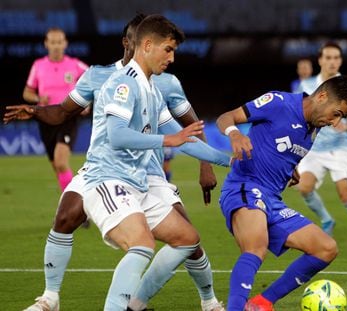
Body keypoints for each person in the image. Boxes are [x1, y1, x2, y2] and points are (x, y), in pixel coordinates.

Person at [6, 14, 226, 311]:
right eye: (168, 49)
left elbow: (186, 133)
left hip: (142, 175)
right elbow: (113, 132)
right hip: (106, 172)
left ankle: (147, 302)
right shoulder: (112, 80)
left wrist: (235, 160)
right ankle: (50, 298)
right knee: (76, 220)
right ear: (137, 43)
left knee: (188, 239)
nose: (172, 57)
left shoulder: (159, 86)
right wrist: (36, 111)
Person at [216, 75, 347, 311]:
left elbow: (278, 146)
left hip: (272, 201)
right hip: (245, 187)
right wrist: (235, 134)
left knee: (326, 248)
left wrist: (290, 168)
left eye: (340, 117)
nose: (335, 122)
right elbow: (226, 117)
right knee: (256, 247)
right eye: (336, 113)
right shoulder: (279, 102)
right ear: (322, 96)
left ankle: (262, 303)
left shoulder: (314, 128)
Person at [296, 42, 347, 248]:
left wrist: (346, 126)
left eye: (336, 58)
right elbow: (298, 117)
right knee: (304, 188)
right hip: (312, 149)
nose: (332, 62)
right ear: (321, 60)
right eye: (328, 57)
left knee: (345, 193)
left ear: (340, 61)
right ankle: (326, 219)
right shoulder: (306, 87)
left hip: (337, 149)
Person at [23, 27, 88, 191]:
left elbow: (94, 80)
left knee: (61, 161)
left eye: (59, 42)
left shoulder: (75, 64)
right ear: (46, 44)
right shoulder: (38, 66)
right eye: (53, 42)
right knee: (57, 166)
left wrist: (87, 102)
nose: (56, 46)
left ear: (65, 43)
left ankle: (76, 206)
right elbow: (27, 93)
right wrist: (38, 98)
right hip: (46, 118)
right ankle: (72, 207)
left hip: (67, 116)